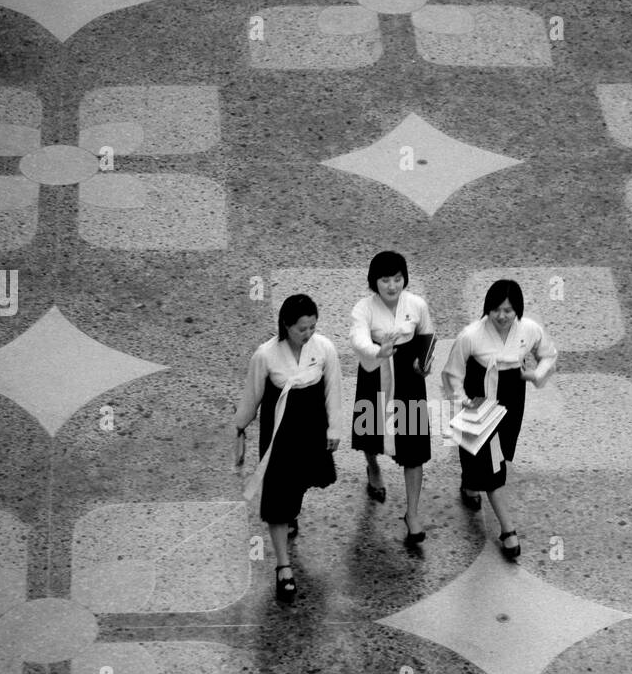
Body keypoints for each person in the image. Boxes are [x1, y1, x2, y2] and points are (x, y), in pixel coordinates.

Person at [234, 294, 342, 601]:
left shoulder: (324, 348)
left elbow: (333, 388)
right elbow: (252, 394)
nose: (307, 334)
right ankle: (283, 566)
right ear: (286, 326)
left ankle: (292, 509)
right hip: (280, 427)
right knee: (278, 493)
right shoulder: (265, 355)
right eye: (301, 328)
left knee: (301, 481)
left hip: (311, 421)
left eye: (312, 327)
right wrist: (240, 426)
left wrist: (334, 427)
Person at [442, 279, 557, 558]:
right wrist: (461, 401)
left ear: (517, 309)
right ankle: (508, 530)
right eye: (496, 310)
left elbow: (548, 354)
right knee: (493, 467)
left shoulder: (529, 330)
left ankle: (469, 484)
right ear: (487, 309)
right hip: (479, 397)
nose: (502, 316)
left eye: (508, 310)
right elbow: (452, 373)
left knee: (499, 452)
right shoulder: (471, 335)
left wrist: (536, 374)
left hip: (512, 395)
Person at [350, 251, 433, 546]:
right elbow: (358, 338)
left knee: (413, 445)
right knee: (371, 431)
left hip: (409, 377)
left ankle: (412, 513)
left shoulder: (417, 304)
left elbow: (426, 334)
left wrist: (424, 362)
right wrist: (377, 351)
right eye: (385, 279)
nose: (392, 285)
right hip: (377, 371)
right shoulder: (364, 308)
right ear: (375, 281)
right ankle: (372, 467)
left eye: (397, 279)